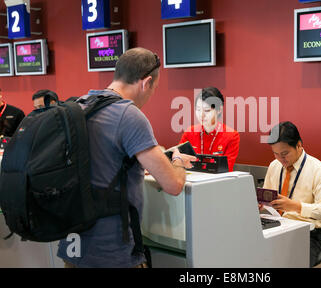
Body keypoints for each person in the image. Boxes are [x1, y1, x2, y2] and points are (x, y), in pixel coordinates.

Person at [57, 48, 196, 268]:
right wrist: (177, 162)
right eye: (155, 89)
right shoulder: (128, 115)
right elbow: (173, 184)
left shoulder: (80, 105)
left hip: (73, 244)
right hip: (110, 250)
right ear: (146, 82)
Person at [261, 121, 321, 267]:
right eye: (275, 154)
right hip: (276, 227)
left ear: (299, 145)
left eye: (285, 154)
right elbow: (266, 198)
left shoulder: (318, 170)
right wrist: (260, 204)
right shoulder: (274, 166)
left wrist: (296, 206)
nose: (280, 159)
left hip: (306, 234)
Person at [179, 87, 240, 171]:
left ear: (219, 109)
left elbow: (226, 169)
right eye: (198, 109)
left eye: (207, 110)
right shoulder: (189, 133)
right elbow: (180, 162)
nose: (201, 115)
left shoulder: (232, 136)